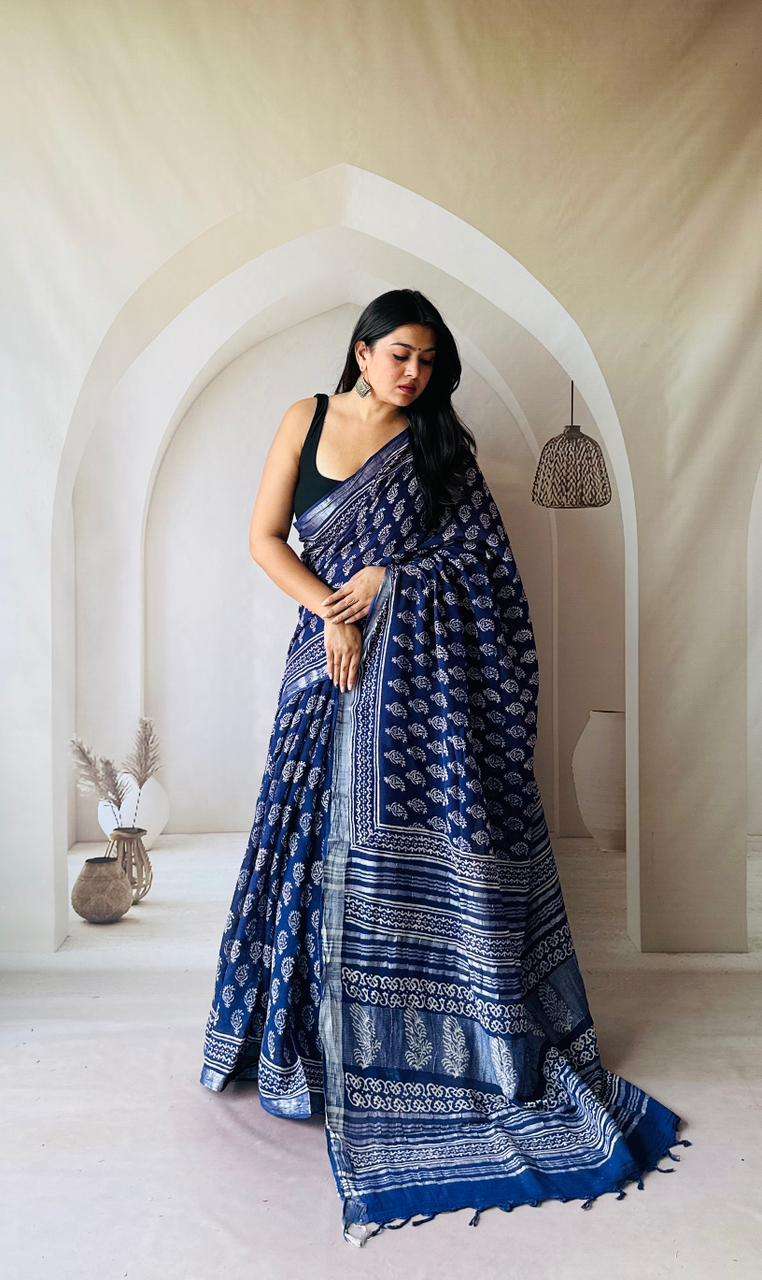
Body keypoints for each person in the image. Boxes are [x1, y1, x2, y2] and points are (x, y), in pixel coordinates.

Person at [199, 288, 690, 1245]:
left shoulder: (441, 449)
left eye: (428, 361)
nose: (414, 374)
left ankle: (440, 1045)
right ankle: (304, 1047)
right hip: (326, 662)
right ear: (362, 352)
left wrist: (392, 579)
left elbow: (484, 564)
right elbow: (265, 540)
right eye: (400, 356)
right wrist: (337, 611)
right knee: (303, 838)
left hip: (426, 693)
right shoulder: (304, 419)